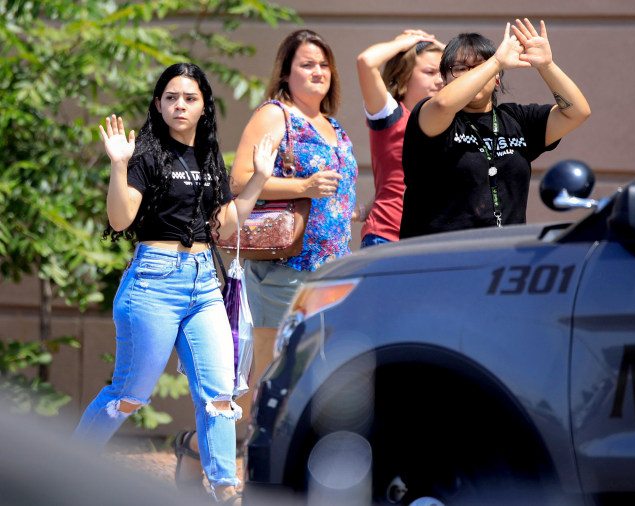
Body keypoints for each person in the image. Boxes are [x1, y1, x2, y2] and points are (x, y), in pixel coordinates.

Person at [72, 62, 276, 505]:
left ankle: (225, 489)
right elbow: (121, 218)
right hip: (153, 283)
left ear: (204, 107)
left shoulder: (208, 159)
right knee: (129, 395)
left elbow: (224, 225)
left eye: (189, 98)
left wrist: (259, 178)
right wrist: (118, 166)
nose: (179, 105)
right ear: (159, 105)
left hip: (204, 285)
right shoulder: (144, 155)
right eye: (170, 97)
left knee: (219, 394)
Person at [174, 29, 358, 488]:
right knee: (275, 379)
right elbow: (239, 181)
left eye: (323, 64)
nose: (317, 72)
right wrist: (304, 188)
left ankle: (237, 460)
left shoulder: (333, 125)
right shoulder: (277, 116)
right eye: (306, 64)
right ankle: (233, 463)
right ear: (286, 72)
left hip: (331, 270)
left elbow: (331, 190)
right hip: (285, 271)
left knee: (317, 376)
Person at [399, 19, 590, 238]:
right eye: (459, 69)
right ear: (444, 79)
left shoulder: (517, 119)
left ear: (497, 79)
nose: (471, 74)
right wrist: (496, 62)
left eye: (479, 66)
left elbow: (577, 112)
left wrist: (547, 66)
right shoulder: (430, 114)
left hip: (501, 256)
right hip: (438, 257)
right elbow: (443, 104)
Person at [354, 30, 444, 247]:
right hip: (388, 238)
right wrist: (403, 43)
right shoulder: (390, 113)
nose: (440, 80)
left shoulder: (449, 120)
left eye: (442, 72)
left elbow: (478, 71)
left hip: (433, 241)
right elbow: (366, 62)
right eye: (430, 72)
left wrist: (440, 46)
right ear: (404, 76)